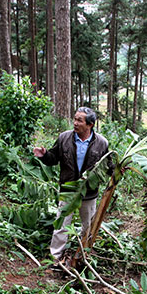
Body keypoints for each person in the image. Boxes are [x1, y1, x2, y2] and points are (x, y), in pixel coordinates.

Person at [33, 107, 109, 262]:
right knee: (61, 224)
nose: (75, 123)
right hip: (68, 190)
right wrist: (44, 155)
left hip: (88, 193)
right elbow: (54, 158)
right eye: (74, 119)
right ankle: (55, 257)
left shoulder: (101, 143)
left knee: (88, 227)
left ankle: (83, 256)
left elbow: (108, 167)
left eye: (79, 120)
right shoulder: (64, 138)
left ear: (90, 125)